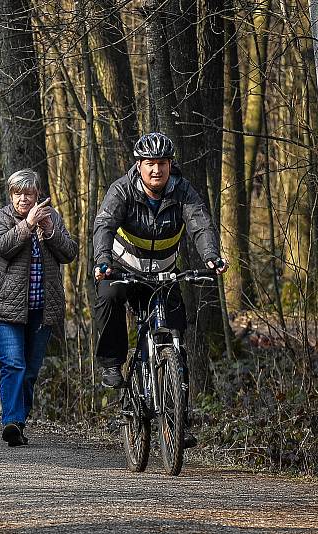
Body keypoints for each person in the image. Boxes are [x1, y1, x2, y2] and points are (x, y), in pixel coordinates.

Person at [92, 132, 228, 447]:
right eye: (151, 164)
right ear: (139, 165)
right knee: (108, 296)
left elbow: (200, 224)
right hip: (124, 271)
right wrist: (102, 261)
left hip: (164, 274)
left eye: (163, 164)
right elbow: (104, 225)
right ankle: (112, 364)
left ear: (170, 165)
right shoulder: (122, 190)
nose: (157, 170)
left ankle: (177, 422)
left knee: (176, 341)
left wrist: (210, 256)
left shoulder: (182, 191)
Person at [0, 169, 78, 447]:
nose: (23, 198)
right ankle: (10, 421)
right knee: (13, 364)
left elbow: (69, 252)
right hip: (4, 310)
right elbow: (2, 246)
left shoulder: (52, 217)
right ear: (11, 195)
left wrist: (50, 232)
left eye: (29, 193)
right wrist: (28, 226)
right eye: (18, 193)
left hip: (40, 310)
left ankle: (18, 424)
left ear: (37, 194)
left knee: (31, 371)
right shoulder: (1, 218)